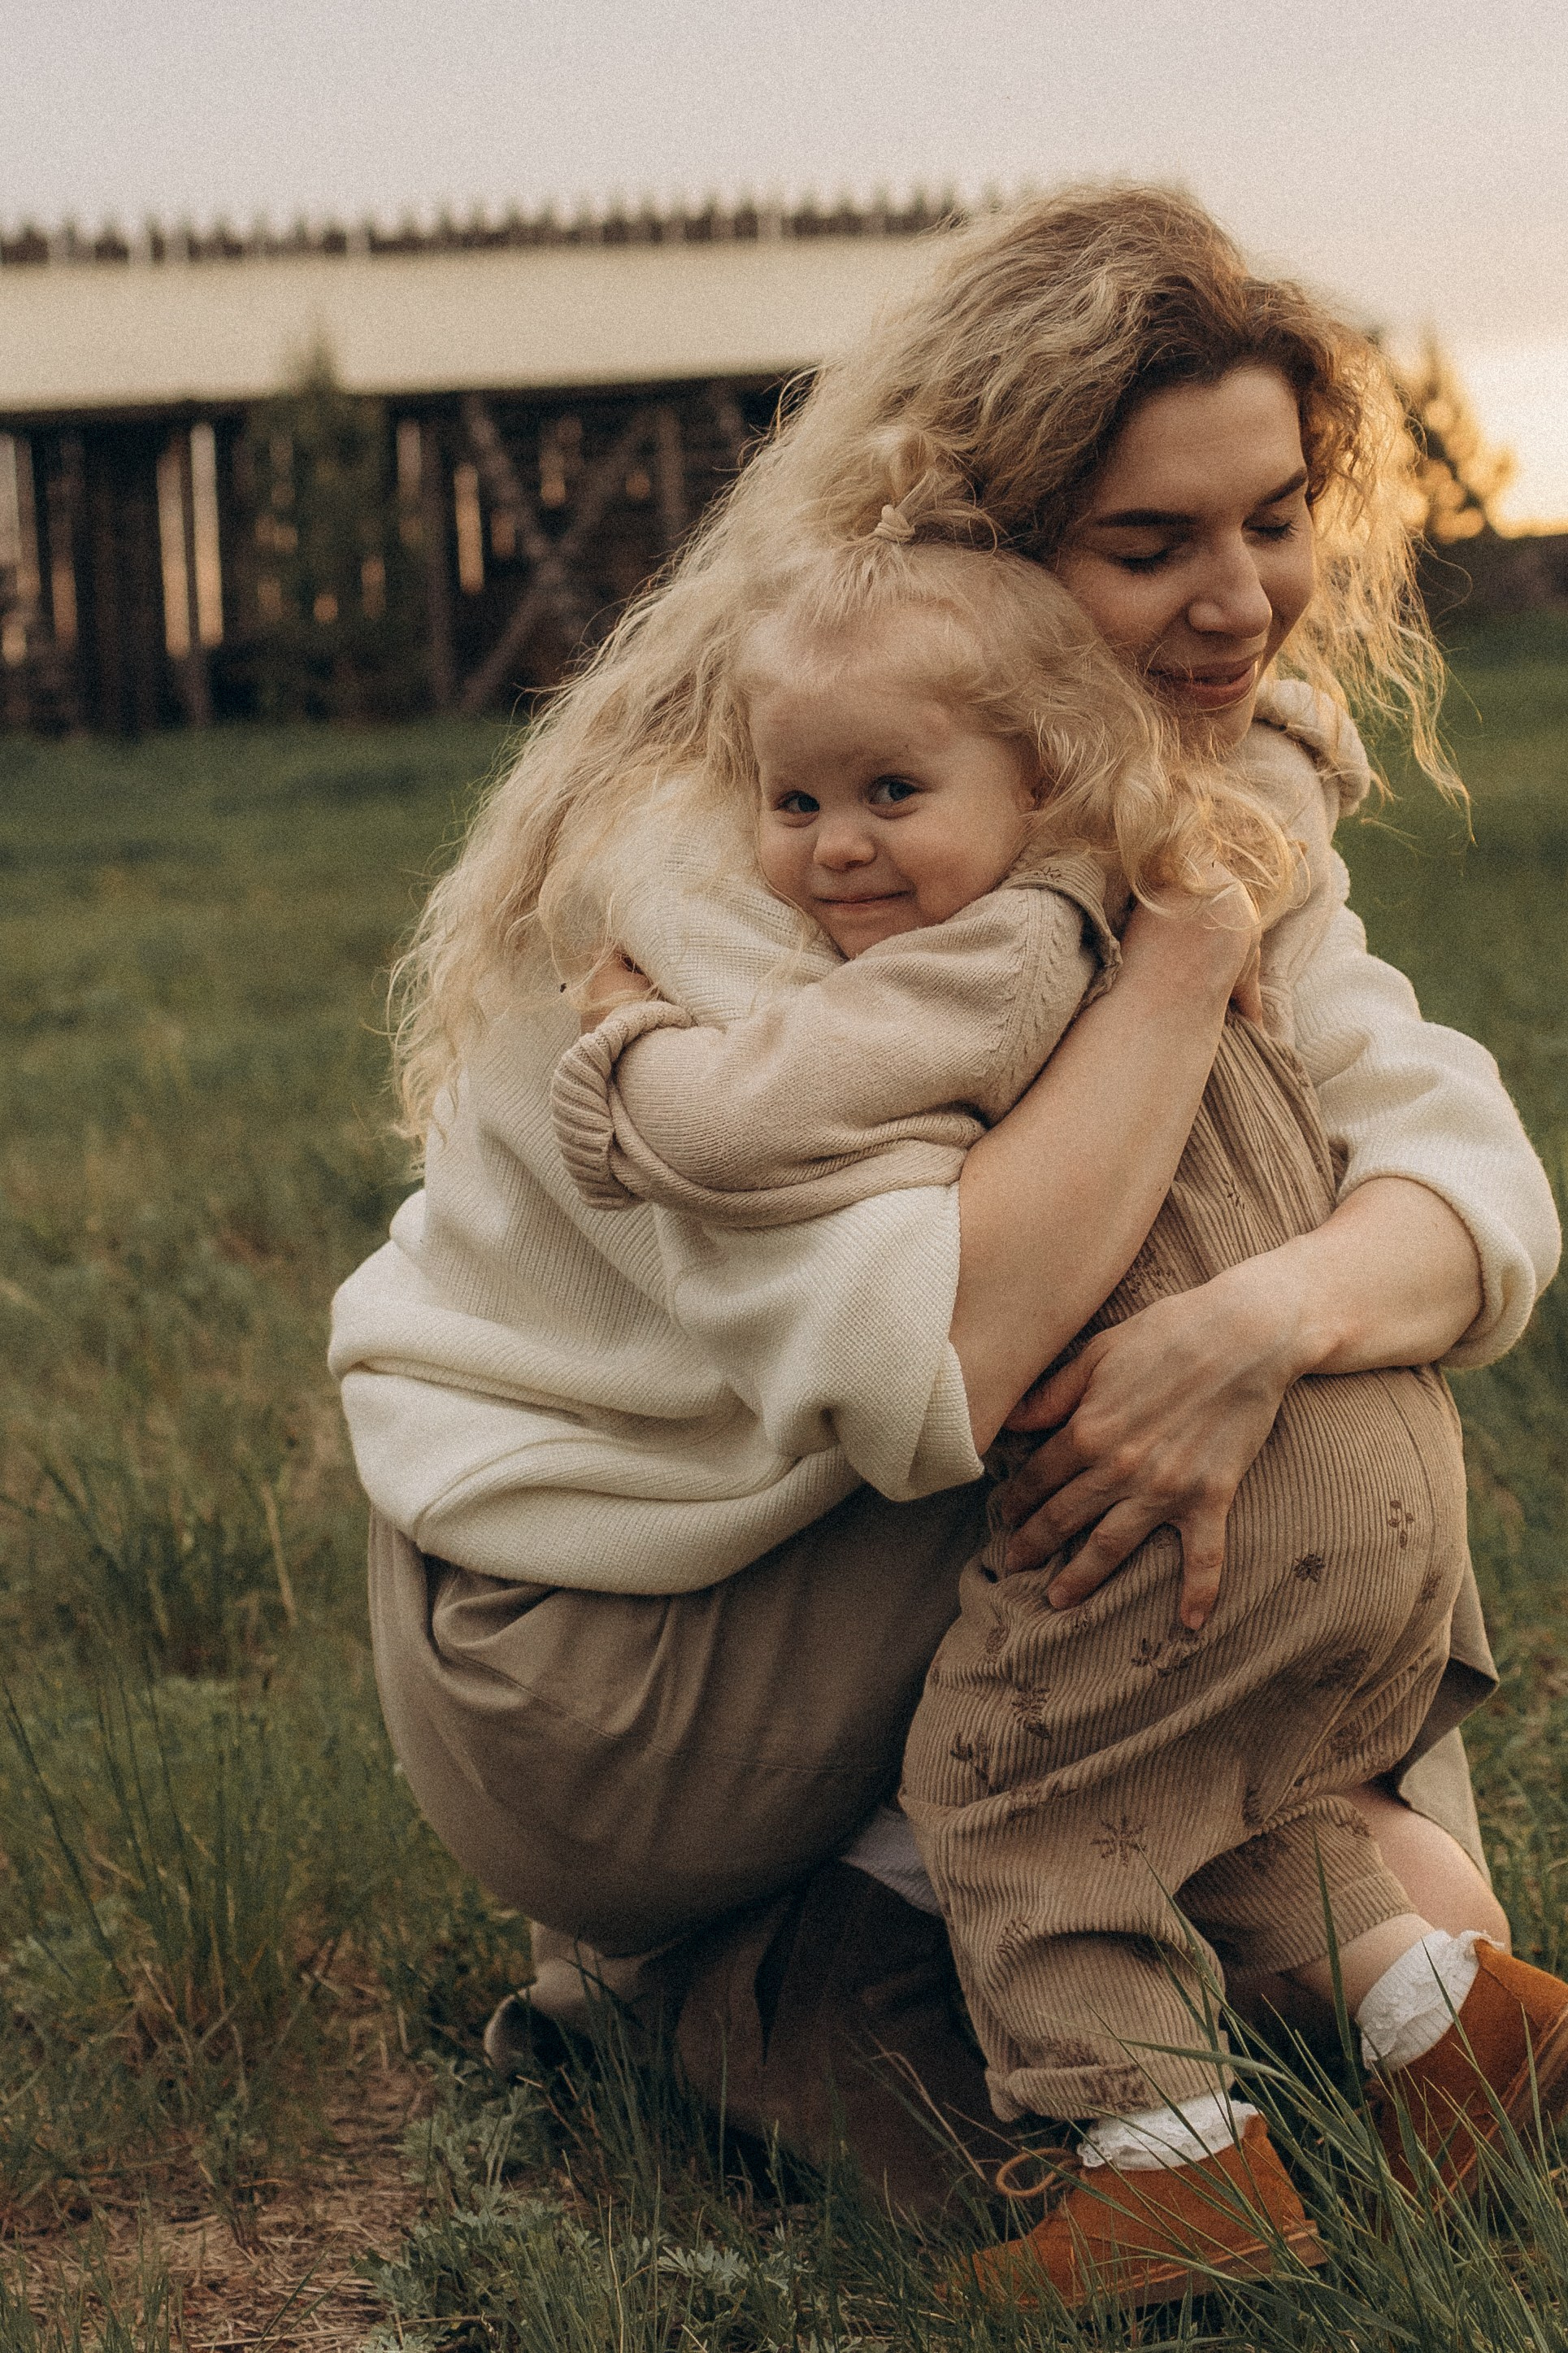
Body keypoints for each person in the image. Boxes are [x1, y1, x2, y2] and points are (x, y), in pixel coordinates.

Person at [329, 187, 1558, 2229]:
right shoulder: (784, 843)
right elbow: (948, 1355)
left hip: (856, 1532)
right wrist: (1181, 956)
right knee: (1235, 1337)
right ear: (968, 562)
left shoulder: (1165, 780)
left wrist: (1251, 1329)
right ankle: (733, 1963)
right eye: (1148, 545)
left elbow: (1464, 1179)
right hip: (605, 1650)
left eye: (1270, 519)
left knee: (1292, 1320)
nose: (1240, 601)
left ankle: (1160, 1915)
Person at [545, 523, 1568, 2306]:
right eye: (794, 803)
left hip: (1220, 1476)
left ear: (1037, 782)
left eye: (891, 791)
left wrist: (626, 1058)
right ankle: (1453, 2026)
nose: (836, 846)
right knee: (1187, 1790)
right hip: (1363, 1452)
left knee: (1002, 1783)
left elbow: (754, 1120)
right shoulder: (1168, 882)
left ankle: (1165, 2164)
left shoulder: (1012, 942)